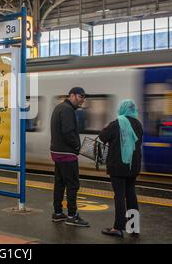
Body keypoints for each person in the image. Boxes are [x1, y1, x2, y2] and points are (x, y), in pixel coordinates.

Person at [99, 99, 143, 238]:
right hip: (133, 166)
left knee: (119, 196)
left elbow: (102, 137)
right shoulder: (138, 124)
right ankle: (134, 227)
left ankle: (118, 228)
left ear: (122, 109)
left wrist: (106, 127)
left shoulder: (116, 123)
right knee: (131, 195)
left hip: (118, 166)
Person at [50, 87, 89, 227]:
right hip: (67, 154)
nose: (82, 99)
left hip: (57, 152)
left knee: (59, 184)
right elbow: (68, 131)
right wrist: (77, 147)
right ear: (71, 95)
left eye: (84, 97)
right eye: (80, 96)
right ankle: (72, 216)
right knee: (73, 185)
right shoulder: (67, 110)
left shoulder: (59, 107)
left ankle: (58, 213)